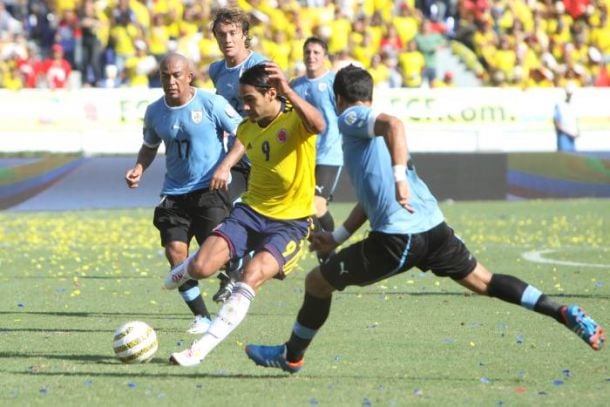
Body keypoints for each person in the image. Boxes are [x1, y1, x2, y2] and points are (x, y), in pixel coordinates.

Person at [244, 65, 606, 374]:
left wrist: (400, 177)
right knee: (485, 280)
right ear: (370, 93)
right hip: (433, 228)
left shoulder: (350, 117)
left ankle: (291, 356)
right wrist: (338, 236)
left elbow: (395, 124)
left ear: (339, 99)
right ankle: (561, 312)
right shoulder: (369, 134)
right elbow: (373, 197)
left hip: (399, 238)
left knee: (317, 283)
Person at [163, 62, 325, 367]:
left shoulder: (295, 120)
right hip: (250, 211)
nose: (245, 106)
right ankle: (184, 268)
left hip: (290, 224)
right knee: (202, 266)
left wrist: (290, 90)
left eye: (250, 99)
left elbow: (319, 126)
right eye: (242, 99)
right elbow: (243, 143)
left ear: (272, 93)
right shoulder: (247, 127)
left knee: (249, 276)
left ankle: (199, 350)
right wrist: (225, 165)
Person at [125, 53, 242, 335]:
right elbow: (150, 144)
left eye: (177, 75)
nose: (171, 81)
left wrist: (225, 166)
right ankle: (201, 316)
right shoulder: (154, 111)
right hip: (174, 192)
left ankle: (237, 264)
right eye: (165, 75)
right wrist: (139, 167)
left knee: (210, 257)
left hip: (209, 189)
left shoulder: (210, 103)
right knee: (175, 252)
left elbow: (244, 135)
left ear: (189, 76)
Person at [208, 7, 268, 303]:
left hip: (265, 157)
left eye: (233, 33)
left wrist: (226, 162)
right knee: (230, 214)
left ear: (245, 35)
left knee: (260, 219)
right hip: (236, 158)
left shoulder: (260, 67)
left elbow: (257, 123)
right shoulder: (216, 71)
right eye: (221, 34)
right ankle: (231, 275)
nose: (227, 39)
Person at [290, 37, 343, 263]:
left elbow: (344, 115)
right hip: (303, 156)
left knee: (315, 204)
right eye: (308, 52)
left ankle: (329, 250)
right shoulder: (295, 86)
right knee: (308, 209)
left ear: (325, 57)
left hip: (328, 154)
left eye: (316, 52)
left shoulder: (334, 83)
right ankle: (329, 251)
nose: (311, 56)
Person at [554, 82, 580, 152]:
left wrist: (577, 132)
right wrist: (569, 133)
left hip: (572, 139)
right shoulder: (560, 106)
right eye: (568, 93)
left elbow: (575, 121)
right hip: (564, 139)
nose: (570, 96)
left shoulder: (573, 106)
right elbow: (557, 124)